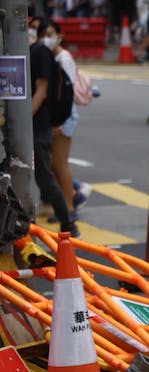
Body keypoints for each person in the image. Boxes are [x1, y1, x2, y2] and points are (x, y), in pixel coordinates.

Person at [30, 18, 79, 238]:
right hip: (39, 124)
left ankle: (68, 222)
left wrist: (24, 118)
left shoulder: (42, 54)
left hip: (41, 124)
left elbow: (42, 91)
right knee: (46, 174)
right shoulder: (33, 52)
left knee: (50, 174)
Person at [43, 20, 92, 224]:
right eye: (43, 34)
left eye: (50, 33)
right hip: (61, 116)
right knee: (55, 164)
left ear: (60, 36)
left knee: (59, 164)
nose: (46, 37)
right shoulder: (55, 57)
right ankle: (70, 201)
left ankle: (70, 207)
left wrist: (58, 121)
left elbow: (66, 92)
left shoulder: (63, 58)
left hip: (64, 116)